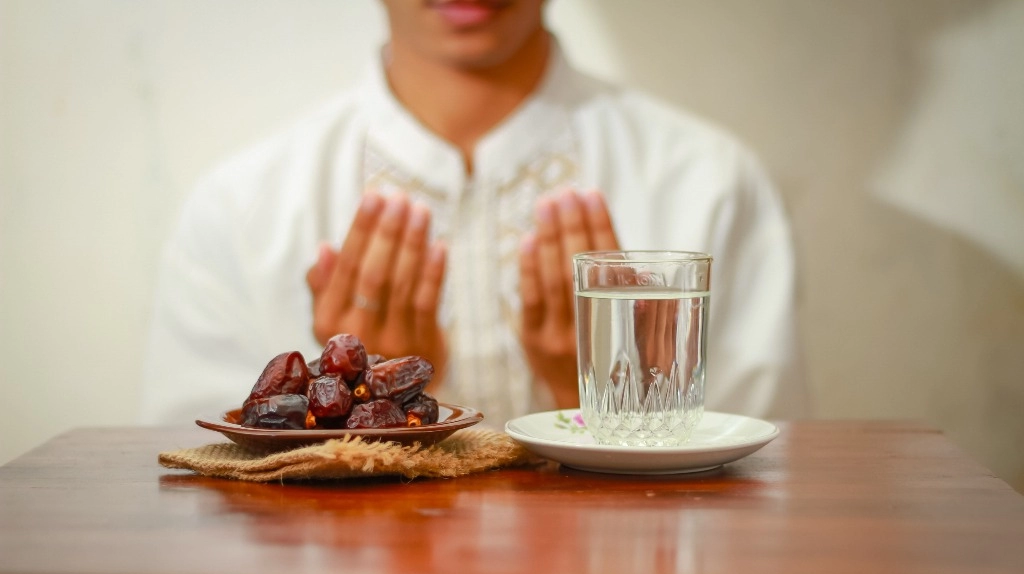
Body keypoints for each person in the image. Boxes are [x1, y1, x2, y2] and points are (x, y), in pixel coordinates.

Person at [140, 0, 807, 427]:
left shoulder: (707, 181)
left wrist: (610, 401)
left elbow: (767, 494)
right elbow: (192, 508)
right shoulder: (243, 205)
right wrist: (360, 407)